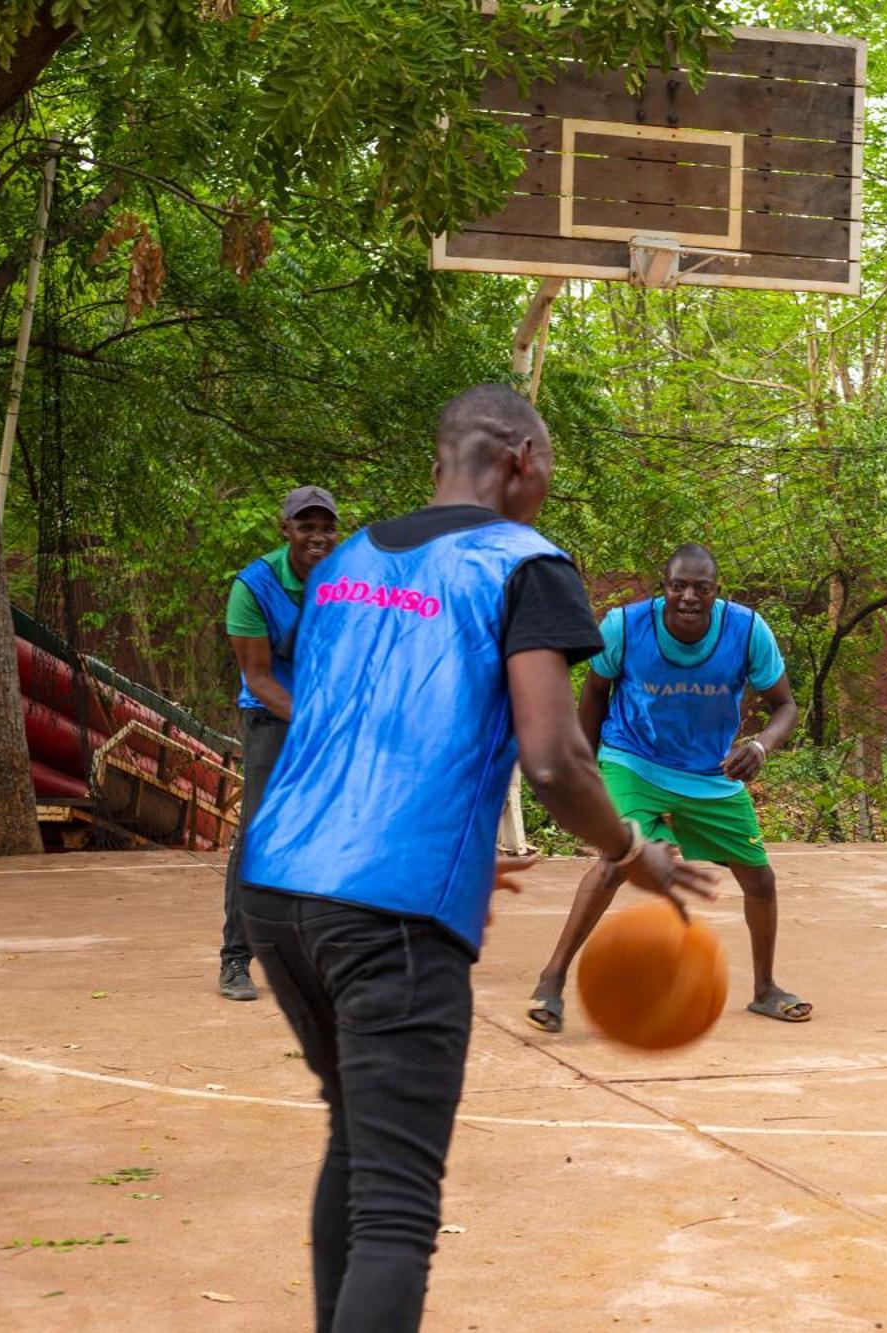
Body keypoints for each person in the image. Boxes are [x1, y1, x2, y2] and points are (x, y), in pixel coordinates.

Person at [237, 384, 717, 1332]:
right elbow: (554, 758)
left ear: (438, 463)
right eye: (547, 472)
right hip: (389, 912)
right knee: (397, 1212)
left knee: (358, 1140)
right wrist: (631, 853)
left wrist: (451, 847)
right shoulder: (525, 564)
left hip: (280, 883)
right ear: (524, 461)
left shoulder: (348, 561)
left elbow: (354, 719)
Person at [524, 543, 805, 1031]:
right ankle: (551, 981)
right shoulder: (625, 627)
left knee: (760, 879)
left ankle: (764, 989)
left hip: (709, 772)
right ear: (664, 587)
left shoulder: (747, 630)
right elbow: (595, 690)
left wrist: (759, 747)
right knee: (618, 859)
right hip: (634, 759)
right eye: (679, 586)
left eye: (702, 588)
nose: (689, 597)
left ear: (717, 592)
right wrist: (585, 768)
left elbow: (785, 706)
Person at [217, 485, 340, 1001]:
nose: (317, 536)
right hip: (274, 717)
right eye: (305, 526)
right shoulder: (255, 586)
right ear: (284, 529)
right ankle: (236, 959)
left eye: (325, 526)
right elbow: (259, 677)